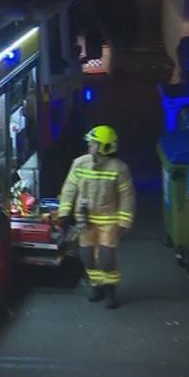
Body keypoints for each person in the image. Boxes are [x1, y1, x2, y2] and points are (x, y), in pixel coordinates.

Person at [56, 125, 135, 308]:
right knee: (87, 256)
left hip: (109, 221)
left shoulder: (119, 169)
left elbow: (127, 197)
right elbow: (69, 188)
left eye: (94, 144)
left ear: (105, 147)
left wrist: (124, 221)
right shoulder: (80, 163)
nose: (90, 146)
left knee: (107, 258)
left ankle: (110, 290)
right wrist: (65, 213)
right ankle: (96, 286)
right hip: (85, 220)